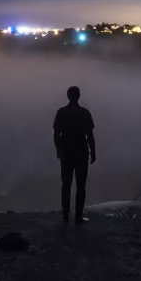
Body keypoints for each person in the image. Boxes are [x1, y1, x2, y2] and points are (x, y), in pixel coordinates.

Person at [53, 85, 96, 224]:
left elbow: (56, 134)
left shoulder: (61, 112)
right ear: (78, 96)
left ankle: (65, 214)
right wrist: (93, 151)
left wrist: (58, 149)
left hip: (66, 150)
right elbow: (89, 135)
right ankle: (78, 215)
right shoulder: (85, 113)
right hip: (81, 150)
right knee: (81, 185)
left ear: (68, 96)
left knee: (66, 184)